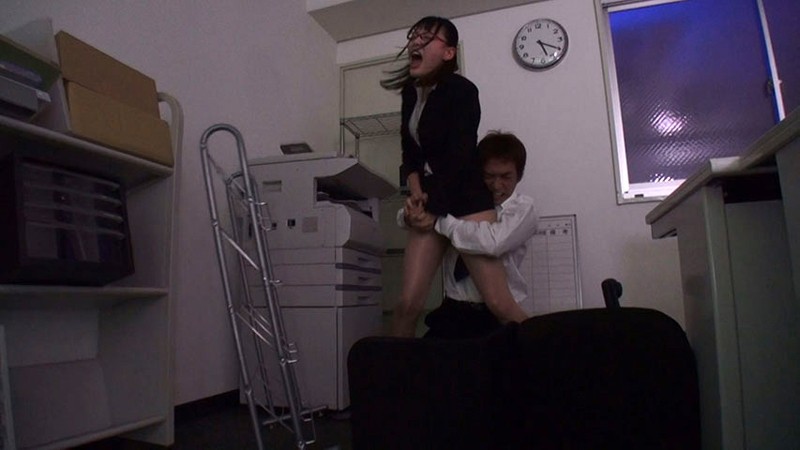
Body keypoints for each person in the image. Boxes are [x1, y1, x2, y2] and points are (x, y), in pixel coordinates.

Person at [382, 16, 528, 337]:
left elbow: (459, 158)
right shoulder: (410, 93)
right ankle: (398, 369)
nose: (415, 41)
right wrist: (416, 196)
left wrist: (431, 209)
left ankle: (548, 361)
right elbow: (410, 153)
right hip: (432, 195)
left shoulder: (462, 91)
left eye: (426, 37)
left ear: (448, 53)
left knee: (500, 304)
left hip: (466, 198)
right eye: (414, 35)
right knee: (406, 305)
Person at [401, 131, 538, 338]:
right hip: (454, 310)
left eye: (505, 177)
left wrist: (440, 221)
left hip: (498, 312)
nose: (496, 185)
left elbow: (492, 242)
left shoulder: (523, 209)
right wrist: (411, 215)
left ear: (519, 175)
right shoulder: (460, 200)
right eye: (489, 176)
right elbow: (410, 217)